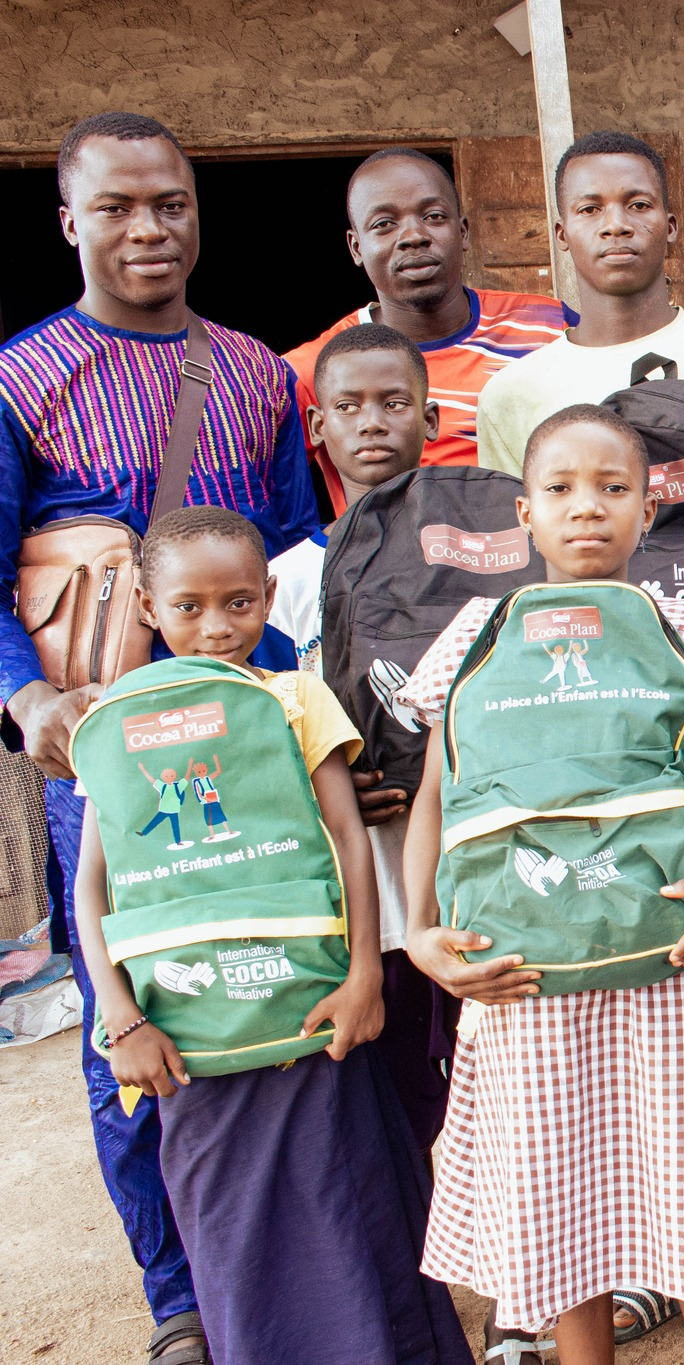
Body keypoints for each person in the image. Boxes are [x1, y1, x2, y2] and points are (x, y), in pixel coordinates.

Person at [397, 403, 684, 1365]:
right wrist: (420, 932)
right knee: (561, 1199)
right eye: (560, 489)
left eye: (613, 488)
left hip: (679, 955)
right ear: (523, 513)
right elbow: (437, 795)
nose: (586, 508)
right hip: (526, 970)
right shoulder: (473, 636)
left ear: (648, 511)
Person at [0, 111, 320, 1365]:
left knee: (271, 978)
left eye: (171, 204)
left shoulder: (249, 371)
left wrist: (302, 725)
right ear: (68, 218)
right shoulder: (25, 378)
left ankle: (287, 1257)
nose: (149, 229)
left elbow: (296, 559)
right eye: (120, 206)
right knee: (127, 1014)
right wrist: (31, 699)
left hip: (248, 745)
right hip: (108, 755)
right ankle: (178, 1294)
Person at [69, 505, 468, 1365]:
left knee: (349, 1205)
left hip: (310, 1017)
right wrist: (120, 1016)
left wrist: (365, 973)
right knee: (229, 1227)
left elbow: (348, 841)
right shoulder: (117, 718)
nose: (216, 627)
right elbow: (93, 885)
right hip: (190, 1037)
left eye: (240, 605)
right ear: (145, 604)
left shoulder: (294, 697)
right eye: (189, 607)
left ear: (270, 597)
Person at [267, 322, 463, 1154]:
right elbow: (269, 730)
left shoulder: (485, 552)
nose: (373, 421)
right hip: (367, 884)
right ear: (317, 429)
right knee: (404, 1093)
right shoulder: (281, 581)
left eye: (394, 402)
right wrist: (334, 786)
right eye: (348, 405)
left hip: (471, 863)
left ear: (431, 415)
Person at [475, 131, 684, 505]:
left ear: (671, 226)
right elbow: (524, 540)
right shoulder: (510, 394)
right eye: (589, 209)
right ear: (562, 234)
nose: (616, 225)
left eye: (639, 205)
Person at [284, 147, 572, 511]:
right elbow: (281, 505)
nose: (413, 236)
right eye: (384, 224)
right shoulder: (313, 370)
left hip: (533, 562)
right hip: (382, 566)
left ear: (463, 232)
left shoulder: (548, 326)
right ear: (356, 247)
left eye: (433, 216)